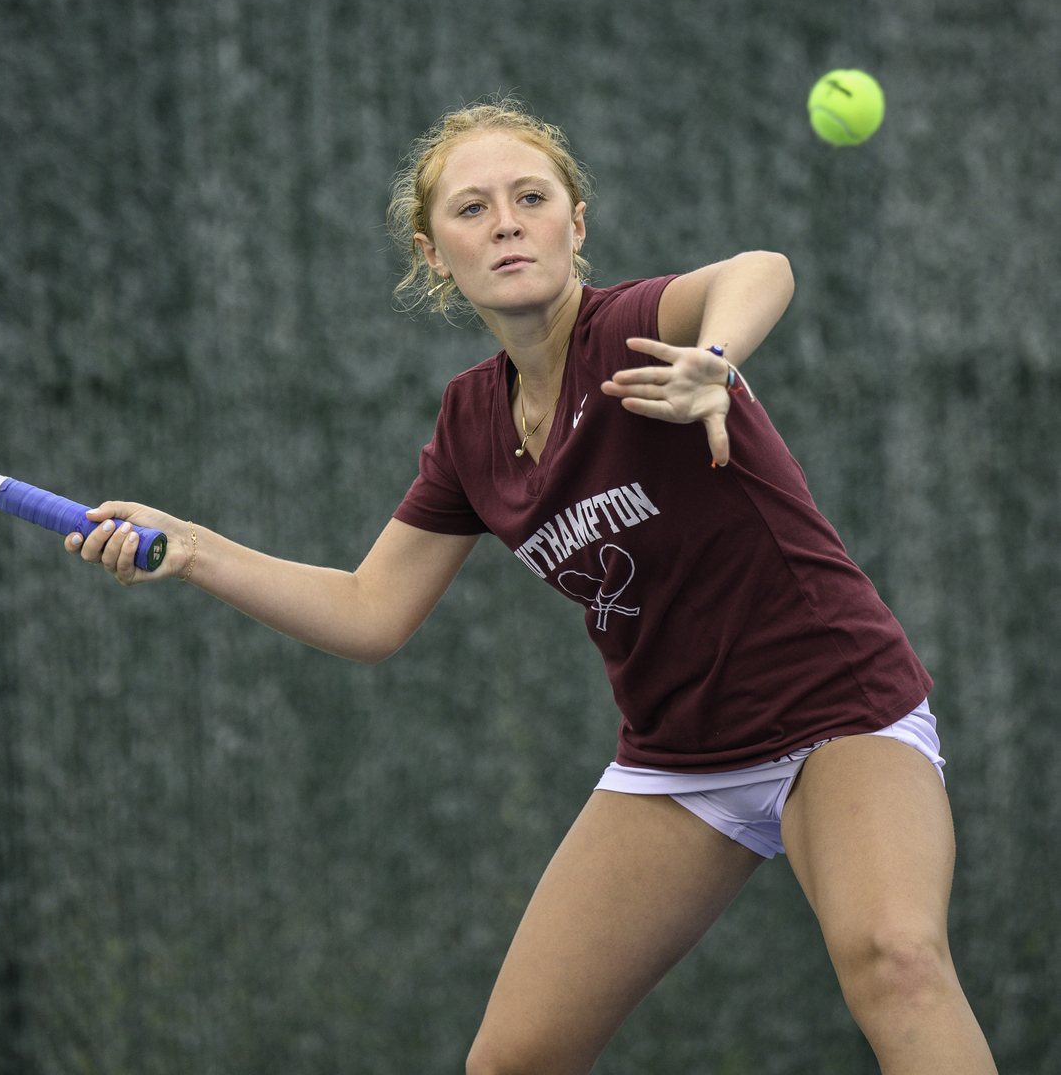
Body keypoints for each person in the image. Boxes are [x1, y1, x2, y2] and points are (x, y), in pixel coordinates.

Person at [63, 100, 997, 1074]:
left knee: (896, 961)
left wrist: (713, 365)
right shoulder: (471, 426)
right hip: (681, 760)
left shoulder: (635, 334)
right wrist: (195, 548)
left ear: (575, 225)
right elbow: (368, 610)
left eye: (531, 197)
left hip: (838, 716)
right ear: (435, 255)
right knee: (511, 1062)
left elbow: (761, 271)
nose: (506, 221)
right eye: (473, 209)